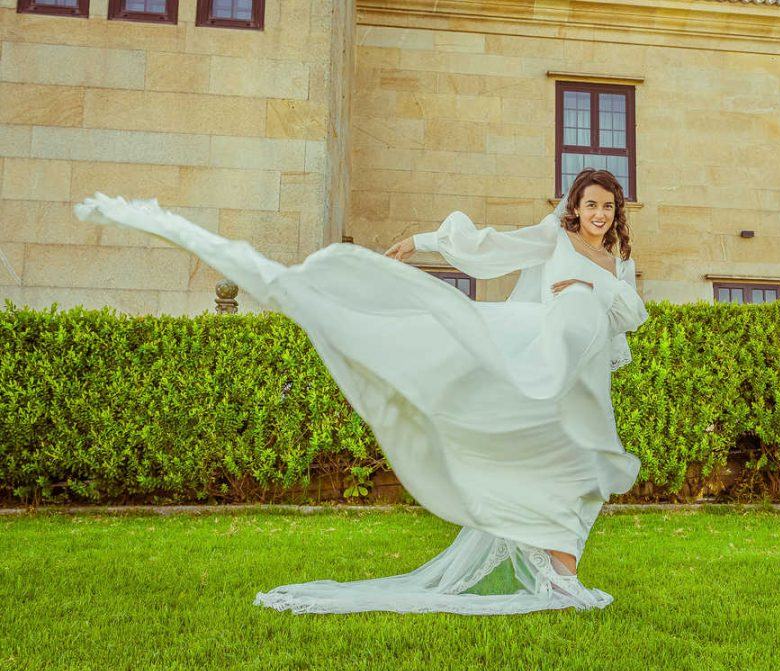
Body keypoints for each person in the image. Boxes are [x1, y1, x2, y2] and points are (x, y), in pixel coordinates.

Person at [73, 167, 649, 615]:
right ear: (573, 207)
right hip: (536, 363)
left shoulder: (617, 259)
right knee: (567, 465)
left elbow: (632, 313)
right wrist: (421, 240)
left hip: (581, 377)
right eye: (589, 203)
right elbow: (491, 247)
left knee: (583, 470)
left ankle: (557, 577)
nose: (598, 213)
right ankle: (560, 579)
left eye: (607, 206)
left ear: (615, 212)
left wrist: (590, 290)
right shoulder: (554, 239)